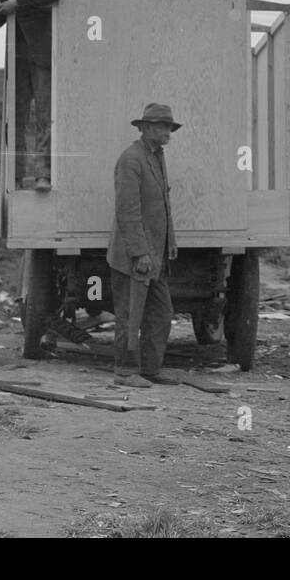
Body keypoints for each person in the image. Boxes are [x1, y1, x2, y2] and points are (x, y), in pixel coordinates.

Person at [106, 103, 183, 387]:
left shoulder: (156, 156)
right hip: (134, 256)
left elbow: (163, 202)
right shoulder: (131, 160)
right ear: (147, 128)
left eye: (169, 128)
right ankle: (125, 373)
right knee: (130, 315)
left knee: (161, 313)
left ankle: (150, 369)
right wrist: (140, 253)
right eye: (164, 127)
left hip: (155, 254)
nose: (168, 134)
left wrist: (170, 242)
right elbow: (128, 211)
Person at [0, 0, 62, 191]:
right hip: (18, 63)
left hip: (42, 61)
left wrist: (16, 4)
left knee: (44, 117)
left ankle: (44, 175)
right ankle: (16, 178)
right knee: (15, 120)